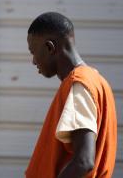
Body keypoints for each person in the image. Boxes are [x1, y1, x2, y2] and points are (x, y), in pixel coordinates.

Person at [26, 12, 117, 178]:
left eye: (33, 52)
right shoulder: (94, 81)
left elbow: (84, 161)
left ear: (49, 48)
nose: (33, 61)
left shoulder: (80, 84)